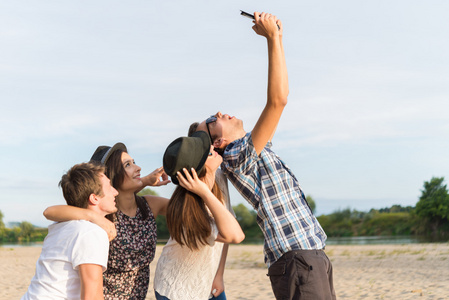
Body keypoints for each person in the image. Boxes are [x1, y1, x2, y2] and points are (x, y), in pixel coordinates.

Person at [193, 12, 336, 300]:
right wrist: (271, 39)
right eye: (212, 119)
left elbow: (276, 99)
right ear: (218, 142)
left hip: (305, 254)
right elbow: (277, 101)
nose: (219, 112)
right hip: (296, 256)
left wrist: (278, 38)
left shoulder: (252, 148)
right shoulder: (237, 156)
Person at [43, 143, 170, 299]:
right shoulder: (104, 213)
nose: (138, 168)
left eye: (133, 162)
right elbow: (49, 211)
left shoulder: (148, 205)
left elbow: (185, 209)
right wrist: (94, 217)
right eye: (128, 165)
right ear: (110, 177)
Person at [153, 130, 245, 300]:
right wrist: (205, 193)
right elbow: (235, 235)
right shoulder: (189, 212)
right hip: (176, 290)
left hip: (207, 280)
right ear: (200, 171)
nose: (213, 147)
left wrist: (219, 275)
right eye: (209, 153)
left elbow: (225, 229)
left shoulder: (218, 178)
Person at [22, 163, 118, 300]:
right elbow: (91, 296)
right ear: (94, 198)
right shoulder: (91, 232)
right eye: (109, 187)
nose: (115, 192)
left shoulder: (60, 225)